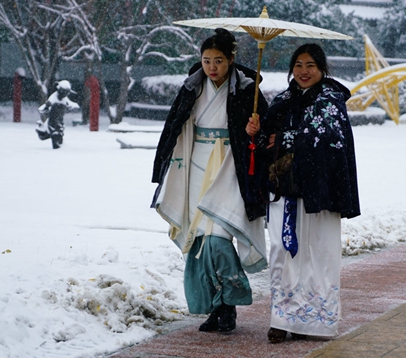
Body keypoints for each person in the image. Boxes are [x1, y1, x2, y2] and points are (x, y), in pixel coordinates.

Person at [151, 28, 268, 333]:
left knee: (218, 238)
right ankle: (216, 307)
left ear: (231, 59)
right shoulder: (193, 86)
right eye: (206, 60)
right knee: (198, 240)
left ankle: (230, 300)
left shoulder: (246, 89)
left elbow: (268, 133)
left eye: (218, 60)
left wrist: (256, 129)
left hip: (231, 165)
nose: (212, 67)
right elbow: (175, 124)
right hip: (196, 162)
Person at [246, 43, 361, 343]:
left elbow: (329, 143)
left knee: (317, 256)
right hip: (284, 191)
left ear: (322, 69)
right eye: (298, 65)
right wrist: (254, 132)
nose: (303, 71)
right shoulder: (282, 100)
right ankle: (282, 318)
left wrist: (285, 138)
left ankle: (317, 321)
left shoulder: (330, 101)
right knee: (283, 253)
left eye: (310, 65)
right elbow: (265, 145)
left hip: (319, 195)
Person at [36, 80, 80, 149]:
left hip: (60, 120)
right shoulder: (54, 98)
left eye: (66, 93)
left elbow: (69, 103)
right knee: (55, 133)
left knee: (60, 132)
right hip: (52, 121)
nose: (65, 95)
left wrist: (73, 106)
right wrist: (46, 107)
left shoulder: (64, 99)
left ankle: (60, 147)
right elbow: (45, 106)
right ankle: (56, 149)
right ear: (60, 90)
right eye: (64, 92)